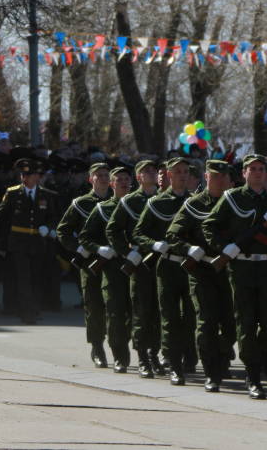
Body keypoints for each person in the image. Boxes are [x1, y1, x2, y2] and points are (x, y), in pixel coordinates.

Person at [202, 154, 267, 399]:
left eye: (261, 169)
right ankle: (253, 375)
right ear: (244, 173)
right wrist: (224, 247)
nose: (257, 173)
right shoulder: (232, 197)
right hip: (242, 268)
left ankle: (254, 362)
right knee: (245, 322)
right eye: (252, 169)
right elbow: (209, 225)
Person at [165, 159, 236, 391]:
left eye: (224, 177)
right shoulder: (194, 204)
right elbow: (173, 235)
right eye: (215, 176)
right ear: (206, 178)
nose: (220, 181)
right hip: (203, 271)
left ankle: (222, 355)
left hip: (232, 272)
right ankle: (211, 372)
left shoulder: (236, 202)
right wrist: (189, 249)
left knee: (232, 324)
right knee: (206, 322)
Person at [132, 157, 195, 385]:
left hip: (191, 265)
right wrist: (154, 244)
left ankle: (188, 357)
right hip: (167, 265)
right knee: (168, 317)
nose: (182, 175)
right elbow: (138, 233)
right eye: (177, 171)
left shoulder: (195, 201)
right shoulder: (156, 203)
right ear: (168, 175)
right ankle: (173, 364)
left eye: (185, 171)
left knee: (190, 317)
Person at [0, 158, 59, 324]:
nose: (26, 178)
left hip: (38, 242)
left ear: (37, 176)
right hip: (18, 242)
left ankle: (33, 308)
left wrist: (48, 228)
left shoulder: (46, 194)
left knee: (36, 277)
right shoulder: (13, 193)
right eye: (24, 175)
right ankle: (27, 312)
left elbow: (53, 217)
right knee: (23, 278)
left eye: (30, 175)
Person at [106, 159, 163, 378]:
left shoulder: (163, 198)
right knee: (142, 311)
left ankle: (154, 353)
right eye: (146, 171)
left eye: (154, 170)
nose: (151, 173)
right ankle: (142, 358)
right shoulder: (129, 201)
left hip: (161, 260)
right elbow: (113, 230)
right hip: (140, 261)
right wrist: (126, 252)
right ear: (139, 177)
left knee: (159, 313)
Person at [56, 162, 113, 368]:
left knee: (116, 306)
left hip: (114, 260)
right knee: (94, 306)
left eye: (106, 175)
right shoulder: (81, 203)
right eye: (99, 175)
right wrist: (78, 248)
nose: (104, 178)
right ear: (91, 179)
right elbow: (63, 231)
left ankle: (118, 347)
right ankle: (97, 346)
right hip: (91, 262)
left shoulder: (118, 201)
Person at [78, 166, 134, 373]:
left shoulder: (137, 204)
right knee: (99, 310)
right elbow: (79, 235)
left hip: (131, 264)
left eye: (127, 179)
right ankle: (100, 347)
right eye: (118, 179)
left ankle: (127, 347)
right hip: (99, 265)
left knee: (131, 311)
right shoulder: (90, 205)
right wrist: (93, 250)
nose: (124, 183)